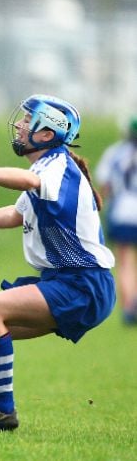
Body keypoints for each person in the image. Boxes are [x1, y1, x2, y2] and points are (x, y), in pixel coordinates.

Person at [0, 94, 115, 433]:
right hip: (63, 282)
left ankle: (2, 413)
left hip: (83, 284)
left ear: (47, 133)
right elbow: (16, 213)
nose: (20, 125)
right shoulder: (47, 167)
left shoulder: (56, 167)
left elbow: (29, 182)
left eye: (27, 120)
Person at [94, 115, 137, 325]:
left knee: (125, 262)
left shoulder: (116, 152)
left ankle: (129, 308)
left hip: (122, 212)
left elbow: (105, 185)